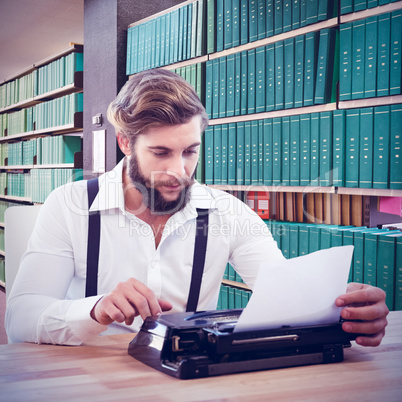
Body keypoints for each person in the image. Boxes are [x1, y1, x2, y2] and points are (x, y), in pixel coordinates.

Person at [5, 69, 388, 347]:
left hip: (187, 378)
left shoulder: (230, 214)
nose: (178, 171)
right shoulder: (69, 205)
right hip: (86, 378)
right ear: (124, 143)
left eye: (190, 152)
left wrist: (343, 312)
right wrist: (95, 310)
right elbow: (20, 319)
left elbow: (285, 297)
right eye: (160, 152)